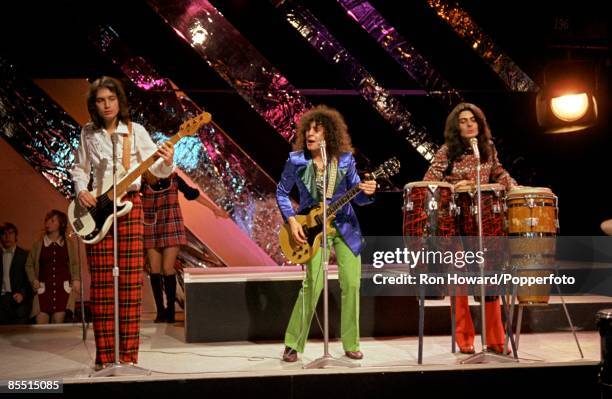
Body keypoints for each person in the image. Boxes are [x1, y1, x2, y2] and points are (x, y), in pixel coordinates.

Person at [70, 76, 175, 370]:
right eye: (101, 100)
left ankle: (128, 357)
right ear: (94, 104)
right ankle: (105, 358)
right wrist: (81, 191)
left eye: (111, 99)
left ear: (120, 101)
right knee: (102, 285)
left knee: (129, 285)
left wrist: (168, 159)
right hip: (98, 211)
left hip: (130, 208)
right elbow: (80, 168)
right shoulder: (88, 133)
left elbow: (157, 168)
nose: (107, 105)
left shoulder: (135, 131)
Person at [276, 105, 376, 362]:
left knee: (352, 283)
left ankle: (351, 342)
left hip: (344, 226)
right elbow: (282, 193)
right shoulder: (296, 161)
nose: (310, 133)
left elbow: (359, 199)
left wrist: (367, 191)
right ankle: (293, 344)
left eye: (316, 130)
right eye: (307, 129)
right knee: (313, 285)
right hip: (313, 229)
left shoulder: (345, 160)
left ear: (328, 135)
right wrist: (292, 221)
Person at [424, 102, 518, 355]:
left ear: (479, 124)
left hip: (484, 221)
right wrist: (455, 184)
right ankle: (464, 339)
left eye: (472, 120)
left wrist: (515, 187)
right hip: (454, 220)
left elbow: (498, 172)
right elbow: (429, 182)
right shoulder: (447, 152)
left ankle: (496, 339)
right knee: (460, 280)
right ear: (456, 126)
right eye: (463, 120)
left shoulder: (487, 149)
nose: (468, 124)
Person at [142, 171, 228, 323]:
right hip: (152, 226)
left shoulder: (173, 178)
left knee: (168, 267)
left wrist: (214, 209)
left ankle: (170, 311)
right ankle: (160, 311)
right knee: (154, 269)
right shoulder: (143, 181)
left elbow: (192, 193)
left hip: (171, 225)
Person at [25, 210, 81, 324]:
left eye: (52, 220)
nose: (48, 223)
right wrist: (33, 280)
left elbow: (74, 264)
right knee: (41, 323)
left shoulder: (68, 244)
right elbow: (29, 264)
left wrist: (76, 279)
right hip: (44, 290)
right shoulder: (38, 244)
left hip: (62, 290)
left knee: (57, 323)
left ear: (60, 224)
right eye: (46, 220)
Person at [0, 222, 32, 325]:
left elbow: (30, 280)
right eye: (4, 233)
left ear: (15, 236)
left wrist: (23, 295)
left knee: (21, 337)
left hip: (19, 302)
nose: (7, 236)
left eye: (10, 233)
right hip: (1, 302)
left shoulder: (25, 255)